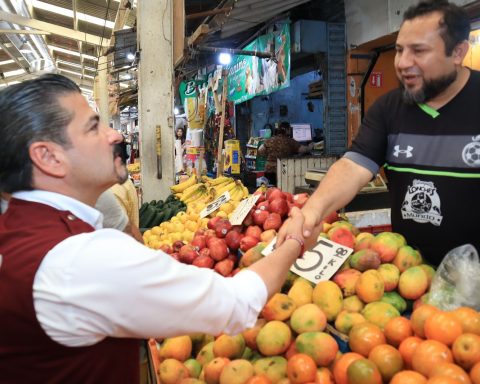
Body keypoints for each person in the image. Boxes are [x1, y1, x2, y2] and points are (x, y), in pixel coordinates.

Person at [0, 74, 322, 382]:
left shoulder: (20, 230)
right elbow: (237, 302)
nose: (115, 136)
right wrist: (295, 237)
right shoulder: (79, 259)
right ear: (48, 157)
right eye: (93, 128)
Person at [278, 0, 479, 267]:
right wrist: (312, 212)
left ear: (457, 52)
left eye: (418, 51)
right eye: (399, 50)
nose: (403, 63)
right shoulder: (389, 108)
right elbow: (352, 166)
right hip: (409, 277)